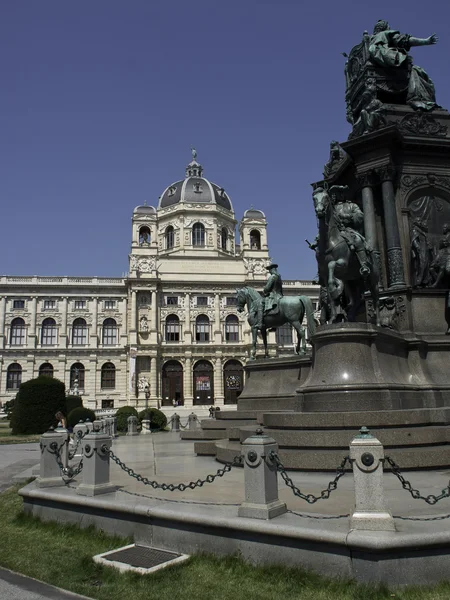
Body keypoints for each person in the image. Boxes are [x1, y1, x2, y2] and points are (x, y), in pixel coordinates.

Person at [368, 20, 438, 111]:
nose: (389, 27)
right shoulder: (386, 34)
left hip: (377, 68)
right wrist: (425, 41)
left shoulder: (370, 40)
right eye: (388, 26)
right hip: (392, 70)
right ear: (385, 27)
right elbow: (405, 40)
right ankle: (419, 100)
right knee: (417, 71)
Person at [331, 185, 371, 277]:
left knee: (357, 240)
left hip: (349, 230)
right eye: (336, 194)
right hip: (337, 231)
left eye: (340, 193)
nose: (338, 196)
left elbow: (360, 216)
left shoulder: (352, 205)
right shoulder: (332, 209)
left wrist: (346, 216)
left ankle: (364, 265)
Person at [255, 264, 284, 330]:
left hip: (273, 296)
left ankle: (260, 324)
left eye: (270, 270)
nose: (269, 271)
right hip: (280, 295)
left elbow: (267, 288)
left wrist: (264, 290)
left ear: (272, 270)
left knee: (260, 305)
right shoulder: (279, 276)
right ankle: (274, 325)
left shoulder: (272, 277)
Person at [410, 219, 433, 287]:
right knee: (421, 265)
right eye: (419, 221)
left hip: (425, 249)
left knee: (426, 265)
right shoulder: (415, 230)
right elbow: (414, 240)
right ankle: (418, 282)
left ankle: (425, 281)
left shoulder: (422, 231)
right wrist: (417, 247)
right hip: (421, 249)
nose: (420, 222)